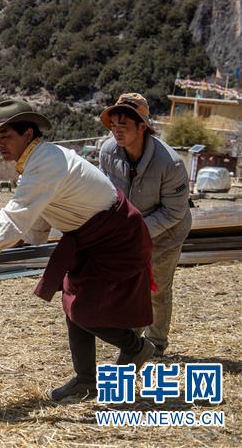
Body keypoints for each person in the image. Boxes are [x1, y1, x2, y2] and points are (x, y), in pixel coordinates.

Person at [0, 99, 156, 401]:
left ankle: (136, 347)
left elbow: (15, 213)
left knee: (83, 310)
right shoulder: (36, 162)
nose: (0, 144)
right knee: (73, 302)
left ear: (28, 134)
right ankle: (85, 380)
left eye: (6, 136)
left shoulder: (46, 162)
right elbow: (40, 211)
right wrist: (30, 240)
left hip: (116, 237)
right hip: (91, 236)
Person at [98, 93, 192, 357]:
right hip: (130, 231)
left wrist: (133, 232)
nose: (116, 132)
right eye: (113, 126)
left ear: (143, 127)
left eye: (124, 126)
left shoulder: (170, 163)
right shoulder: (108, 152)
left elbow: (174, 211)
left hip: (166, 232)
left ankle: (156, 343)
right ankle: (134, 345)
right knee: (130, 286)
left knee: (157, 288)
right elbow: (105, 192)